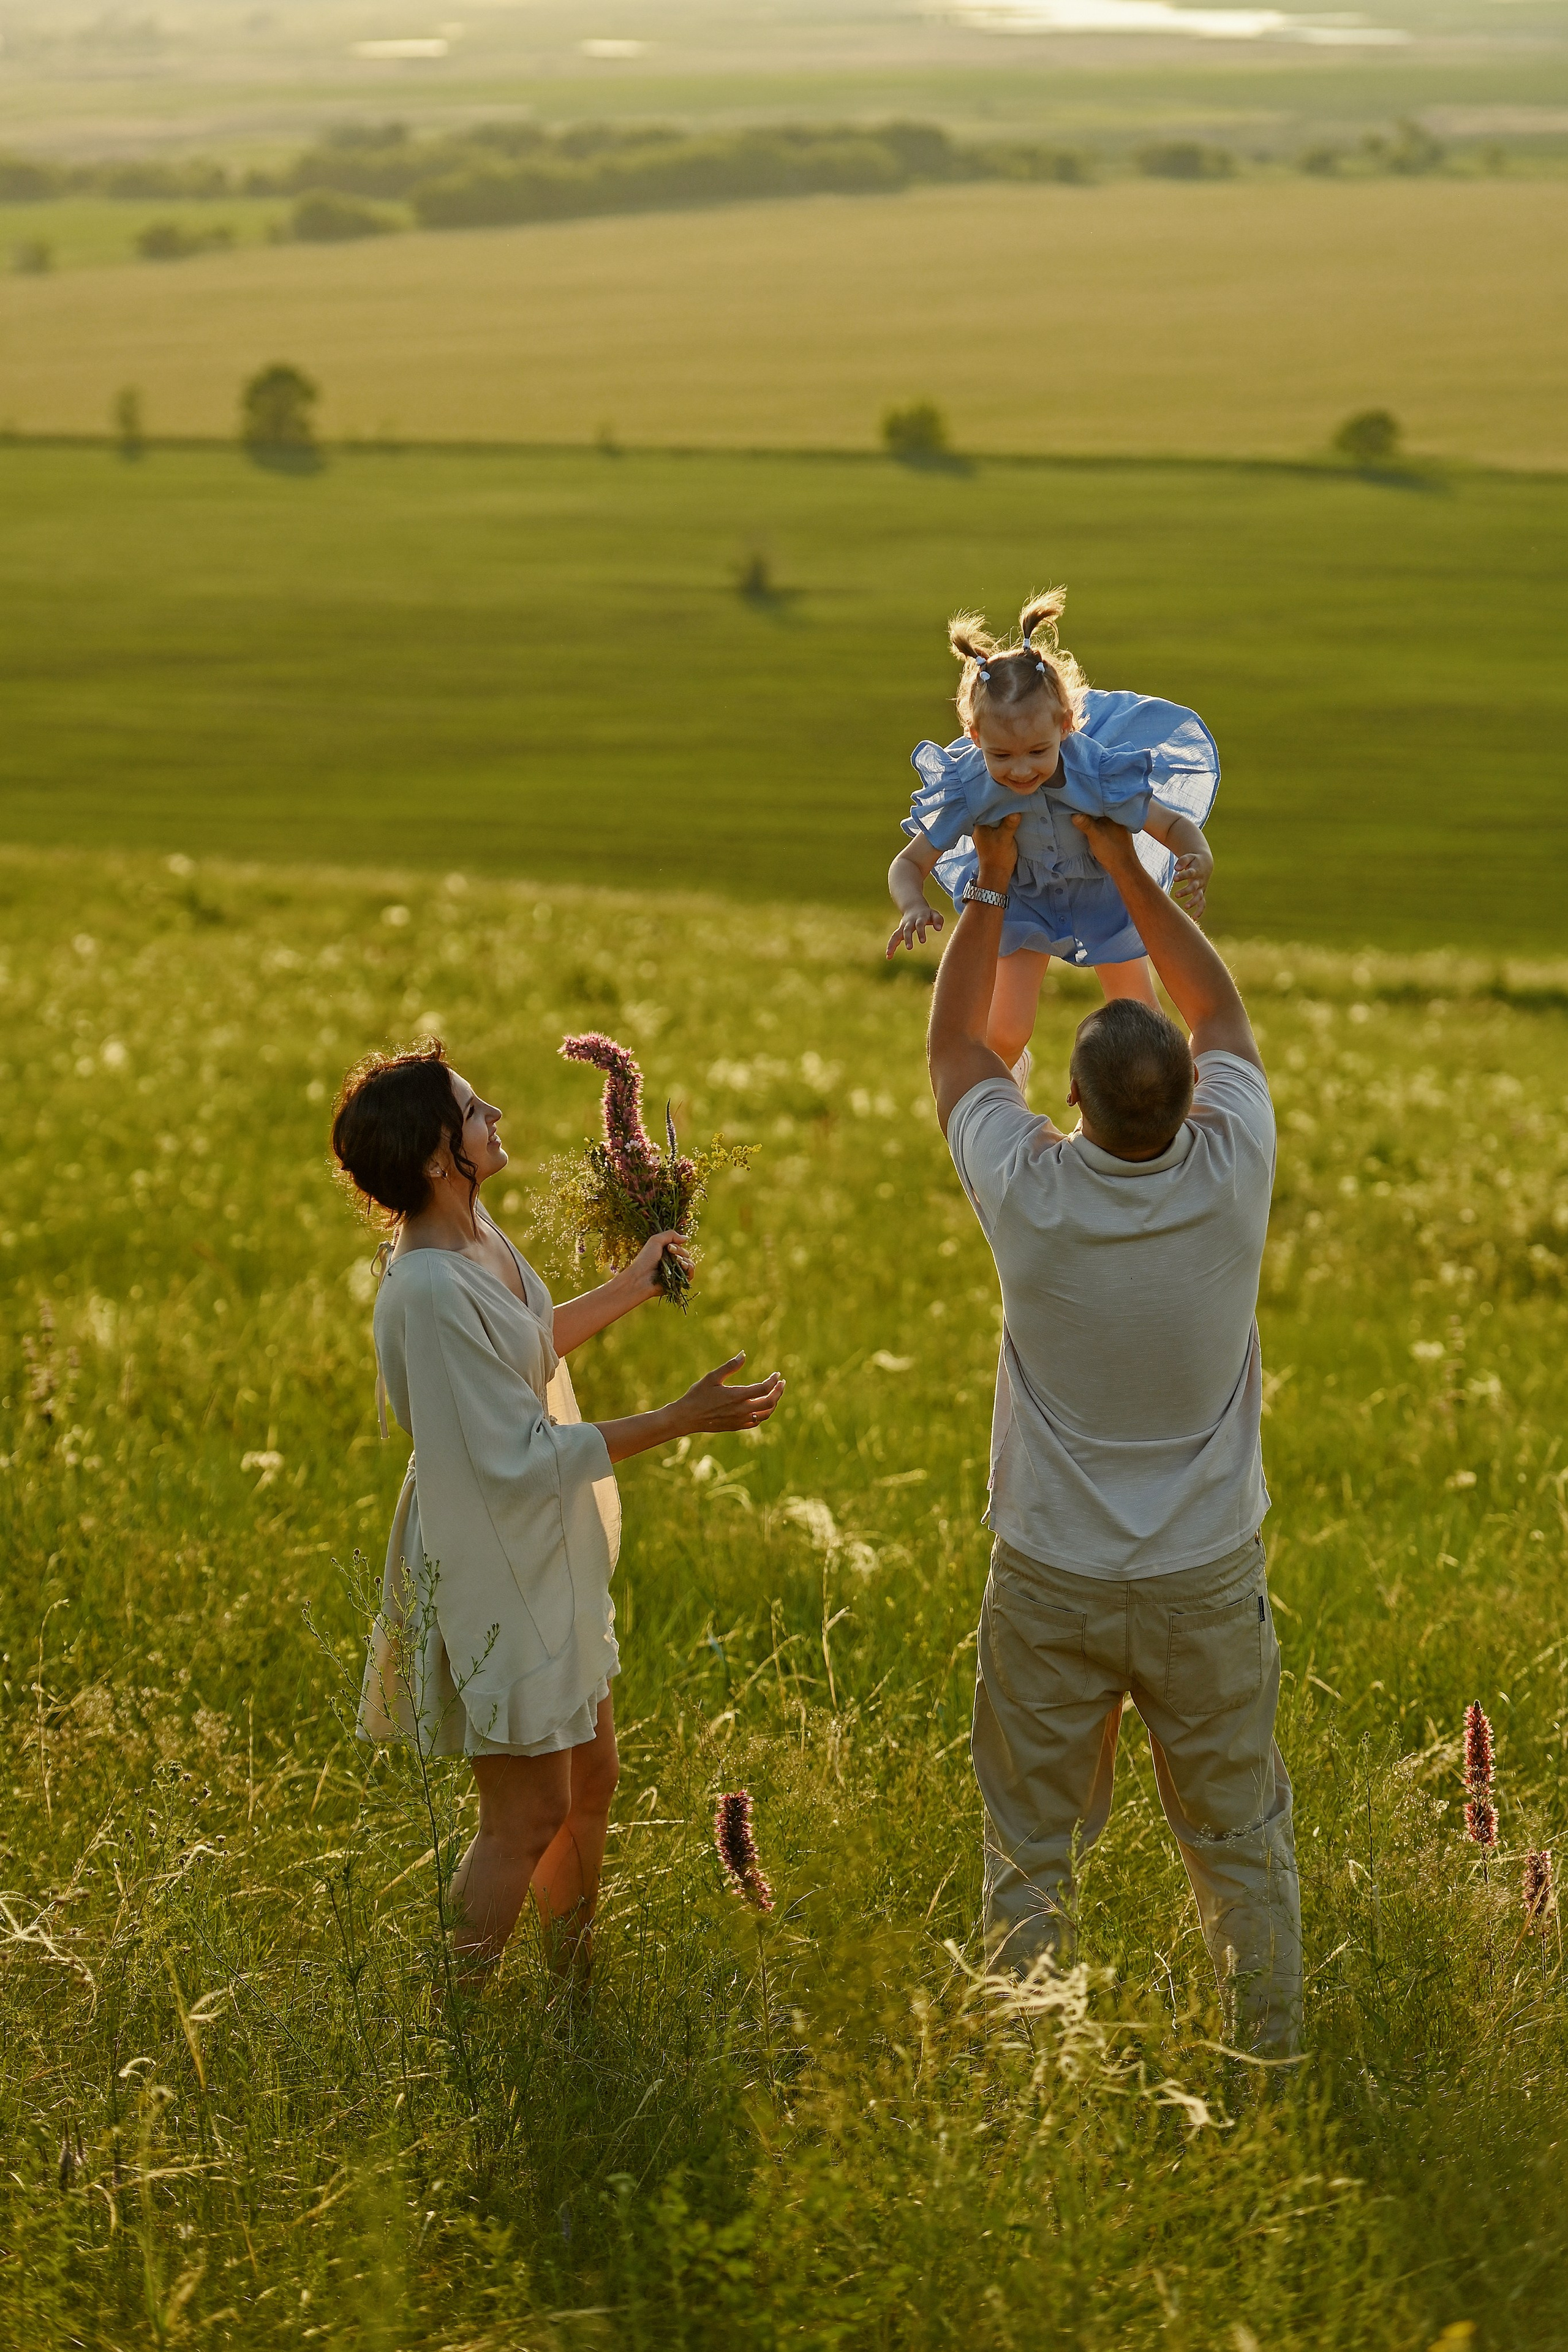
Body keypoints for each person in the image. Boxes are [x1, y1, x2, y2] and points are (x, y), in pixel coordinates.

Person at [925, 802, 1300, 2056]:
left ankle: (1024, 2082)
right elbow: (1222, 1010)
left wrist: (988, 884)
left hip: (1049, 1577)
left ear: (1069, 1105)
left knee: (1029, 1853)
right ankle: (1266, 2070)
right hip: (1201, 1578)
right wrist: (1127, 871)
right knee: (1237, 1844)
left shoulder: (1027, 1189)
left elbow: (954, 1054)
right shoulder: (1233, 1162)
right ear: (1195, 1099)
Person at [330, 1041, 783, 1981]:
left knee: (591, 1782)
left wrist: (631, 1287)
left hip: (543, 1544)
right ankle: (451, 2021)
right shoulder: (427, 1286)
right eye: (472, 1108)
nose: (495, 1111)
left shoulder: (474, 1236)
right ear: (431, 1156)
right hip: (494, 1555)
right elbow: (513, 1457)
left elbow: (527, 1349)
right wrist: (679, 1420)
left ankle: (572, 1994)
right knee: (525, 1814)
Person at [887, 586, 1219, 1076]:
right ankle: (1007, 1086)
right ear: (975, 737)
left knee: (1144, 1019)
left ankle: (1171, 1101)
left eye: (1037, 752)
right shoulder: (972, 787)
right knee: (1004, 1031)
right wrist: (913, 905)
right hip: (1024, 903)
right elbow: (909, 862)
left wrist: (1197, 856)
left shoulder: (1097, 774)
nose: (1020, 770)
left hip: (1103, 896)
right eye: (1001, 755)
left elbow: (1169, 822)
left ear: (1066, 726)